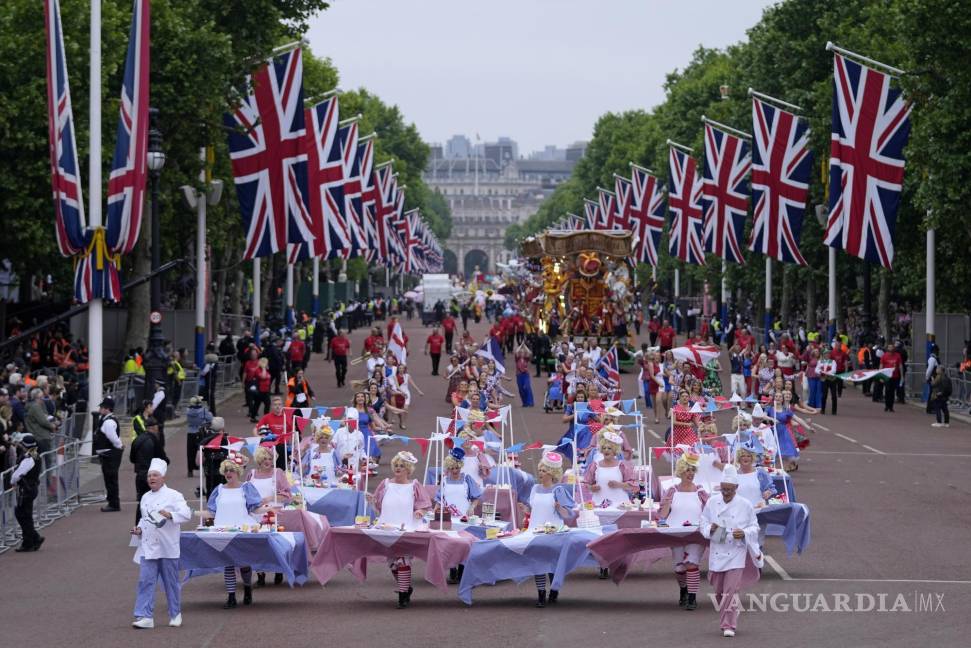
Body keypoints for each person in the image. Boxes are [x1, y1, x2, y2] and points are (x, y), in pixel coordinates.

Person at [700, 465, 763, 638]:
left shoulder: (745, 505)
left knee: (730, 591)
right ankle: (732, 610)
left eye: (729, 490)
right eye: (723, 489)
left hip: (736, 551)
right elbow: (703, 522)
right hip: (718, 549)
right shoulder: (712, 502)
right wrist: (710, 529)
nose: (726, 492)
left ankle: (729, 624)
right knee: (719, 592)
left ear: (736, 488)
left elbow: (754, 527)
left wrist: (744, 533)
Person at [131, 458, 191, 629]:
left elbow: (186, 513)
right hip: (149, 547)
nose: (152, 478)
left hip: (167, 546)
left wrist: (170, 514)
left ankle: (175, 613)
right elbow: (144, 520)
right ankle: (145, 616)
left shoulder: (174, 495)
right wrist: (139, 530)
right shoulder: (145, 497)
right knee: (145, 581)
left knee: (170, 582)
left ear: (163, 477)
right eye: (150, 476)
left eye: (155, 475)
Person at [369, 451, 432, 608]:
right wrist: (371, 501)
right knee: (392, 562)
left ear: (408, 469)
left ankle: (403, 595)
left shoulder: (414, 486)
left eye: (402, 466)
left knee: (403, 560)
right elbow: (378, 507)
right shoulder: (385, 484)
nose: (398, 468)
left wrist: (420, 512)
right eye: (396, 465)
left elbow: (425, 505)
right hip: (386, 527)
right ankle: (406, 587)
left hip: (407, 527)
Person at [206, 453, 264, 608]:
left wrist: (270, 509)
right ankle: (231, 597)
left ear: (238, 471)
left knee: (244, 562)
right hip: (223, 529)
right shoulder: (219, 490)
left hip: (242, 528)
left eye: (231, 470)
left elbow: (255, 508)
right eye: (226, 470)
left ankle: (247, 588)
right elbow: (211, 512)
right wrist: (189, 512)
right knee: (228, 563)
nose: (228, 473)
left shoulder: (246, 488)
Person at [657, 453, 709, 610]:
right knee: (679, 568)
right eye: (687, 470)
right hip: (676, 533)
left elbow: (709, 512)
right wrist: (665, 505)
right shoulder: (671, 491)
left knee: (691, 563)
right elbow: (662, 515)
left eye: (693, 470)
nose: (690, 474)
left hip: (696, 534)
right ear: (681, 471)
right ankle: (683, 590)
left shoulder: (700, 492)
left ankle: (692, 598)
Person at [524, 452, 576, 607]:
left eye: (544, 471)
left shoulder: (558, 491)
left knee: (552, 563)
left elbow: (569, 514)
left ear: (552, 473)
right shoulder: (534, 489)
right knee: (537, 562)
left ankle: (554, 589)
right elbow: (531, 508)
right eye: (540, 470)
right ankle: (541, 593)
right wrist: (524, 510)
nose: (540, 473)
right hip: (535, 531)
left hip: (554, 532)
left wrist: (560, 508)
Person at [247, 446, 291, 587]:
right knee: (255, 546)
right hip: (255, 515)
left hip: (274, 514)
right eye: (265, 458)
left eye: (270, 458)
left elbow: (287, 495)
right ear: (259, 459)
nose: (268, 461)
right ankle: (260, 575)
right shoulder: (251, 474)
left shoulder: (278, 473)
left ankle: (278, 570)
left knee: (275, 544)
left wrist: (270, 497)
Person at [130, 417, 169, 524]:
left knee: (142, 501)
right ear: (153, 427)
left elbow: (132, 458)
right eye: (157, 427)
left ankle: (139, 525)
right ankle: (154, 524)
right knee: (155, 500)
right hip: (152, 475)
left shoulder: (137, 440)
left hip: (140, 475)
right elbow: (163, 458)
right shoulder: (154, 440)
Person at [11, 434, 42, 552]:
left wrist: (12, 481)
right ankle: (32, 539)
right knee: (26, 516)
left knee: (22, 515)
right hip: (31, 488)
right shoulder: (36, 455)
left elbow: (17, 475)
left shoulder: (29, 458)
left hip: (26, 490)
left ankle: (30, 541)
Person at [93, 397, 124, 512]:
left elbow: (113, 437)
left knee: (111, 479)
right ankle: (112, 501)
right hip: (107, 454)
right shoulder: (106, 420)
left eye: (102, 407)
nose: (100, 409)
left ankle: (114, 504)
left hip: (110, 454)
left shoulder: (109, 421)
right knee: (109, 479)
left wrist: (119, 446)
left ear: (107, 409)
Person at [197, 417, 228, 497]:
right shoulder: (228, 440)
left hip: (210, 472)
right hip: (226, 472)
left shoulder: (205, 441)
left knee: (211, 493)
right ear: (223, 427)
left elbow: (198, 461)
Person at [184, 396, 212, 479]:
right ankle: (204, 468)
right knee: (203, 451)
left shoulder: (188, 411)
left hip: (190, 433)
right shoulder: (203, 411)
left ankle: (190, 470)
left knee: (190, 452)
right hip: (200, 432)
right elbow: (210, 418)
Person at [880, 342, 904, 412]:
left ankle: (891, 406)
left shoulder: (898, 355)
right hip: (887, 376)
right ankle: (887, 405)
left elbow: (900, 365)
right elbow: (881, 366)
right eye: (889, 347)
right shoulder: (884, 356)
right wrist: (881, 376)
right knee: (887, 391)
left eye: (892, 347)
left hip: (895, 376)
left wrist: (902, 376)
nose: (891, 348)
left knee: (893, 391)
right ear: (887, 348)